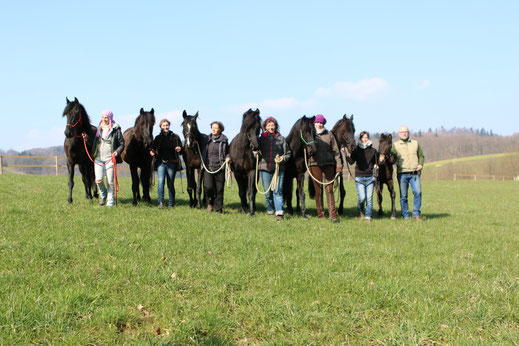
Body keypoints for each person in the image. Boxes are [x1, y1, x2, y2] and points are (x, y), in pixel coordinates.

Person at [253, 117, 291, 221]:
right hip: (264, 169)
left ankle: (279, 213)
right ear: (265, 127)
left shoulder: (281, 139)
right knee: (267, 193)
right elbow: (258, 155)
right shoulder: (260, 139)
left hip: (278, 169)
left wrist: (282, 158)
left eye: (273, 125)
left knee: (278, 191)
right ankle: (270, 210)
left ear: (275, 126)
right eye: (269, 125)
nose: (271, 127)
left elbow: (288, 153)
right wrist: (255, 154)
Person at [85, 110, 124, 207]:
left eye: (106, 117)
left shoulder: (116, 129)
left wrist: (117, 152)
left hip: (110, 158)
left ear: (110, 118)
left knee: (110, 182)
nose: (104, 119)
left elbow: (122, 144)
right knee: (98, 180)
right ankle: (103, 194)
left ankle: (110, 203)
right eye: (103, 117)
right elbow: (94, 142)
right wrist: (86, 138)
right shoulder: (99, 128)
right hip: (98, 158)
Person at [308, 114, 342, 222]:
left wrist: (339, 166)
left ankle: (333, 215)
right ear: (314, 123)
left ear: (323, 124)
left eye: (321, 123)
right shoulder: (310, 135)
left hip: (329, 165)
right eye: (317, 122)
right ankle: (321, 214)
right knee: (318, 191)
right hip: (314, 165)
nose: (319, 124)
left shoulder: (330, 135)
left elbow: (336, 151)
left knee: (329, 190)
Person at [391, 125, 424, 221]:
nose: (404, 133)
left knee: (418, 193)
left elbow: (421, 155)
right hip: (402, 173)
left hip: (414, 173)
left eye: (406, 131)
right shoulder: (395, 145)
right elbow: (392, 159)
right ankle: (405, 215)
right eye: (402, 132)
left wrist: (420, 164)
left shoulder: (415, 143)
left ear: (408, 133)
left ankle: (416, 214)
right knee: (403, 196)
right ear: (399, 133)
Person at [345, 131, 378, 221]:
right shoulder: (356, 150)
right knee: (362, 197)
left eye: (366, 137)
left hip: (370, 177)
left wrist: (376, 165)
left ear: (368, 138)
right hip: (359, 177)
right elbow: (351, 162)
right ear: (360, 139)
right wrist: (346, 155)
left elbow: (376, 162)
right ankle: (360, 209)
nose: (364, 139)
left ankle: (368, 216)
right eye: (363, 137)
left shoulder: (373, 151)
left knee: (369, 198)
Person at [150, 119, 182, 208]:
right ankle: (161, 202)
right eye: (163, 125)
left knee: (170, 183)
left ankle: (171, 204)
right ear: (160, 127)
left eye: (167, 125)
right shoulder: (158, 138)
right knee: (161, 182)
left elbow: (181, 149)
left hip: (172, 163)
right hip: (161, 163)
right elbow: (152, 148)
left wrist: (179, 149)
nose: (165, 127)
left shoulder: (175, 137)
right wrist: (152, 152)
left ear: (169, 126)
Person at [201, 121, 230, 213]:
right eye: (212, 127)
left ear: (220, 129)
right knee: (208, 187)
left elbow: (228, 151)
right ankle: (210, 202)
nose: (213, 129)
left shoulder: (224, 140)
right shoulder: (206, 139)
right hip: (208, 167)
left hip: (220, 167)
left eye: (216, 127)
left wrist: (228, 157)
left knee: (219, 189)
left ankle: (218, 209)